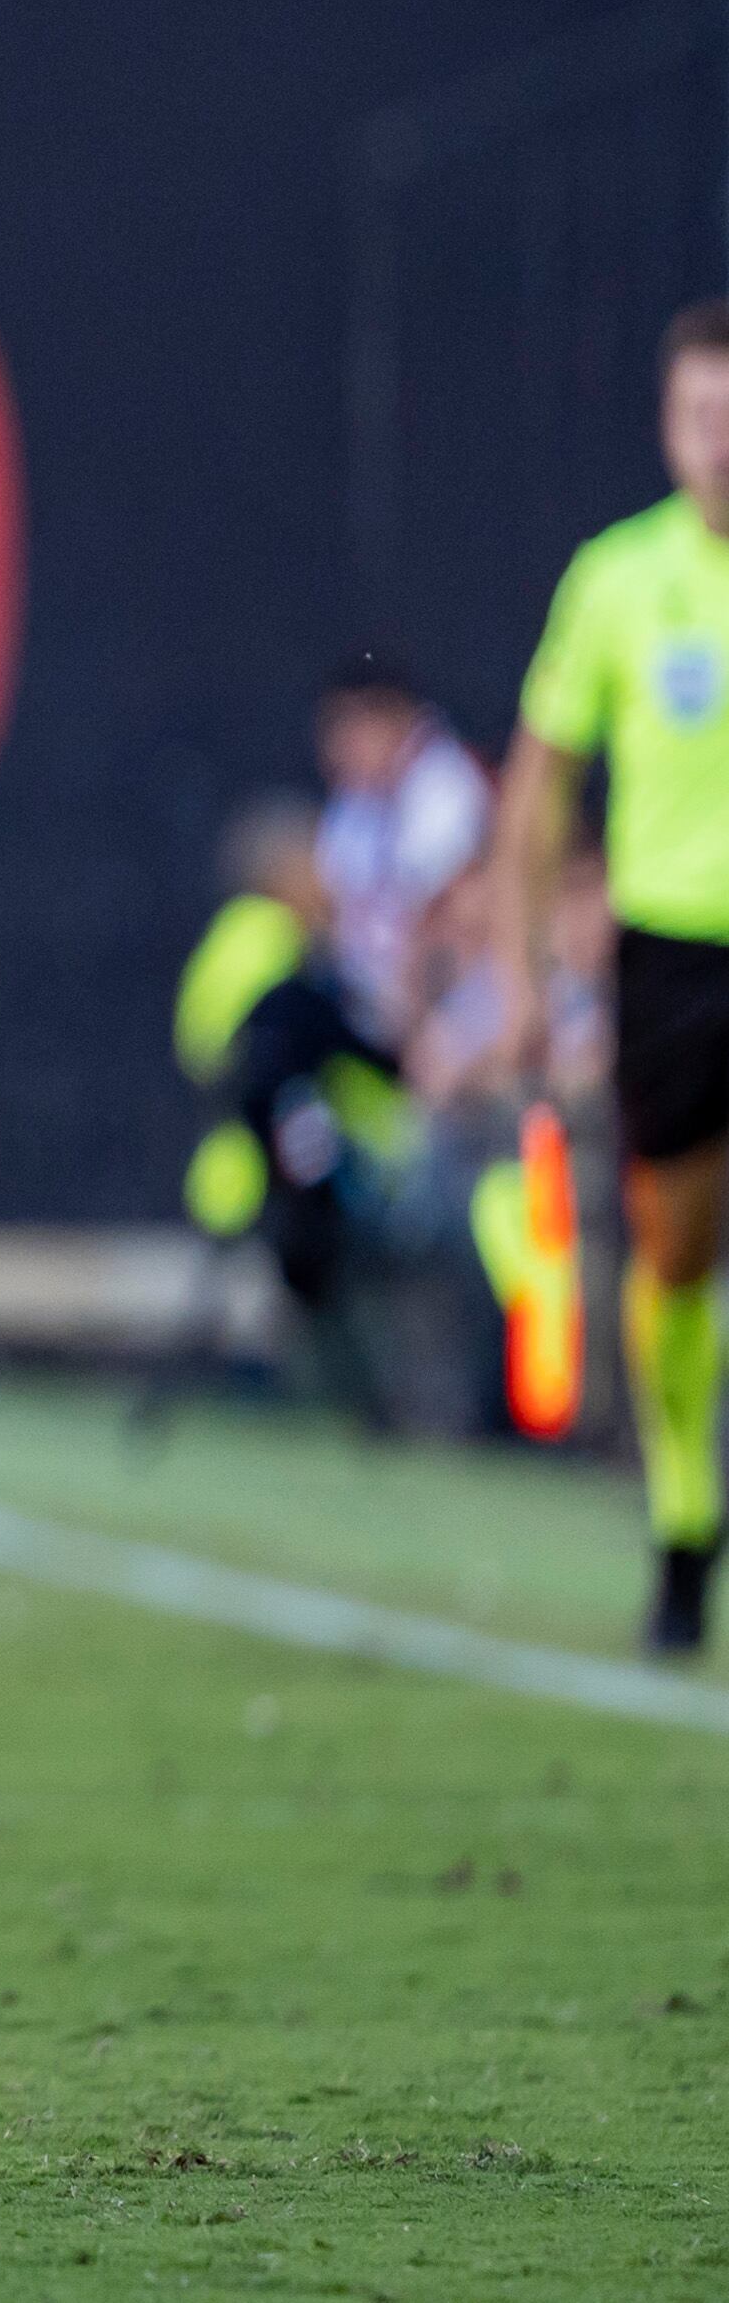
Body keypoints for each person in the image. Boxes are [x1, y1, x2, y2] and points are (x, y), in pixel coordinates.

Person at [497, 297, 729, 1654]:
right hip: (676, 953)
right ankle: (686, 1514)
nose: (722, 445)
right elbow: (540, 784)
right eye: (703, 417)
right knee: (678, 1247)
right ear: (667, 425)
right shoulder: (618, 582)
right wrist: (522, 971)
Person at [170, 794, 407, 1430]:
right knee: (338, 1259)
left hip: (233, 1162)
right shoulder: (275, 943)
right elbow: (297, 1051)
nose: (328, 879)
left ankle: (340, 1395)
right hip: (271, 1162)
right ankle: (369, 1407)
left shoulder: (233, 940)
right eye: (315, 863)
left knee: (299, 1281)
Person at [315, 650, 489, 1047]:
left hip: (452, 1005)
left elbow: (453, 925)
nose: (340, 746)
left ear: (395, 718)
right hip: (373, 1005)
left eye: (354, 726)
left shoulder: (446, 786)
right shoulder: (351, 806)